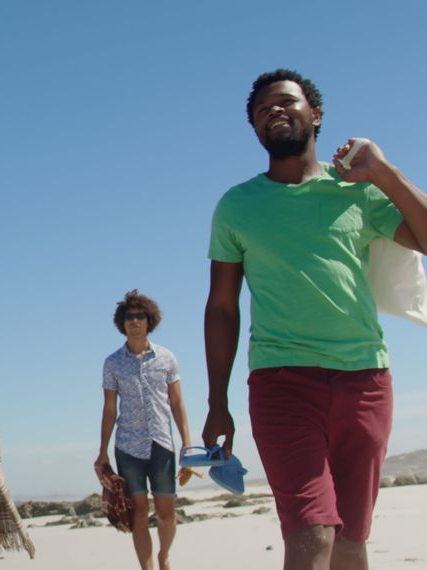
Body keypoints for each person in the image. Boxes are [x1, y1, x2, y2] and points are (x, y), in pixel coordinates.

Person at [203, 69, 427, 570]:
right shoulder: (237, 207)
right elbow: (222, 306)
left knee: (350, 540)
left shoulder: (359, 192)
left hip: (365, 379)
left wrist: (384, 173)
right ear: (256, 131)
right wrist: (217, 401)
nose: (273, 112)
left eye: (285, 102)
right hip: (281, 384)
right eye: (262, 110)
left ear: (316, 115)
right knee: (310, 537)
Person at [95, 290, 192, 570]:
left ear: (149, 321)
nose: (134, 321)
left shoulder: (166, 358)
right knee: (138, 513)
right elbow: (110, 409)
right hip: (128, 447)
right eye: (129, 317)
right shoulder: (112, 363)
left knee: (166, 512)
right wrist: (102, 452)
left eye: (140, 316)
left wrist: (186, 443)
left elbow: (177, 402)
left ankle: (164, 556)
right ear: (121, 323)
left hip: (162, 443)